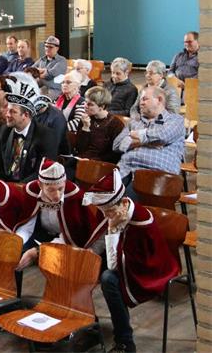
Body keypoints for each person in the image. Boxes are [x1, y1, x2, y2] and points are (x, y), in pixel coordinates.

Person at [83, 171, 180, 353]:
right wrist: (87, 255)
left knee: (108, 279)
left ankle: (125, 342)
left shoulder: (140, 222)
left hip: (149, 269)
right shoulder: (113, 212)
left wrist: (113, 230)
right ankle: (86, 324)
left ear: (124, 203)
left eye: (109, 212)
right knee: (86, 267)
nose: (106, 216)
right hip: (125, 263)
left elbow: (115, 265)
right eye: (104, 212)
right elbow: (101, 241)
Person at [15, 159, 106, 273]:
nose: (57, 195)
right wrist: (16, 242)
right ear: (40, 185)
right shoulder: (32, 192)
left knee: (54, 261)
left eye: (60, 189)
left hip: (66, 240)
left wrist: (38, 251)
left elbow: (71, 237)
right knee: (15, 253)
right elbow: (27, 225)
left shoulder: (74, 198)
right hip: (42, 233)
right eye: (51, 190)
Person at [0, 72, 59, 183]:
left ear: (26, 115)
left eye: (13, 112)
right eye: (8, 110)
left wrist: (17, 188)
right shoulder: (4, 130)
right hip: (5, 186)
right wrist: (0, 185)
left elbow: (41, 172)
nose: (7, 115)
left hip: (28, 188)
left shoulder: (46, 136)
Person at [114, 86, 185, 184]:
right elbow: (117, 145)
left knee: (128, 193)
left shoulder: (175, 120)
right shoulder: (135, 122)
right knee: (98, 191)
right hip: (125, 170)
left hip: (156, 175)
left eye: (145, 99)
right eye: (140, 100)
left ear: (159, 99)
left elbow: (162, 136)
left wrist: (135, 136)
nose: (141, 103)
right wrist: (150, 141)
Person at [75, 86, 125, 164]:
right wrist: (85, 128)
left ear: (102, 107)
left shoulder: (116, 124)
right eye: (85, 102)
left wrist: (93, 160)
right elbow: (79, 148)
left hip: (101, 164)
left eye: (90, 104)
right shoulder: (86, 119)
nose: (85, 106)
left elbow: (115, 154)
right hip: (82, 160)